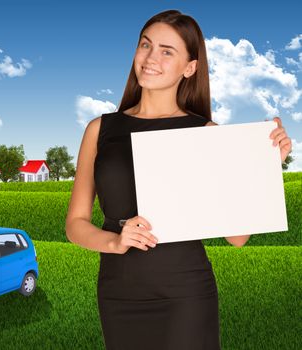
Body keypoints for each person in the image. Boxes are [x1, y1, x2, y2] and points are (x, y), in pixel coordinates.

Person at [65, 9, 292, 350]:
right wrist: (115, 242)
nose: (150, 58)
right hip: (118, 293)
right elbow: (75, 223)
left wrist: (263, 166)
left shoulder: (205, 133)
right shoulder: (100, 130)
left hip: (185, 295)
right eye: (146, 45)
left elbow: (237, 237)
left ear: (190, 68)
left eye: (166, 51)